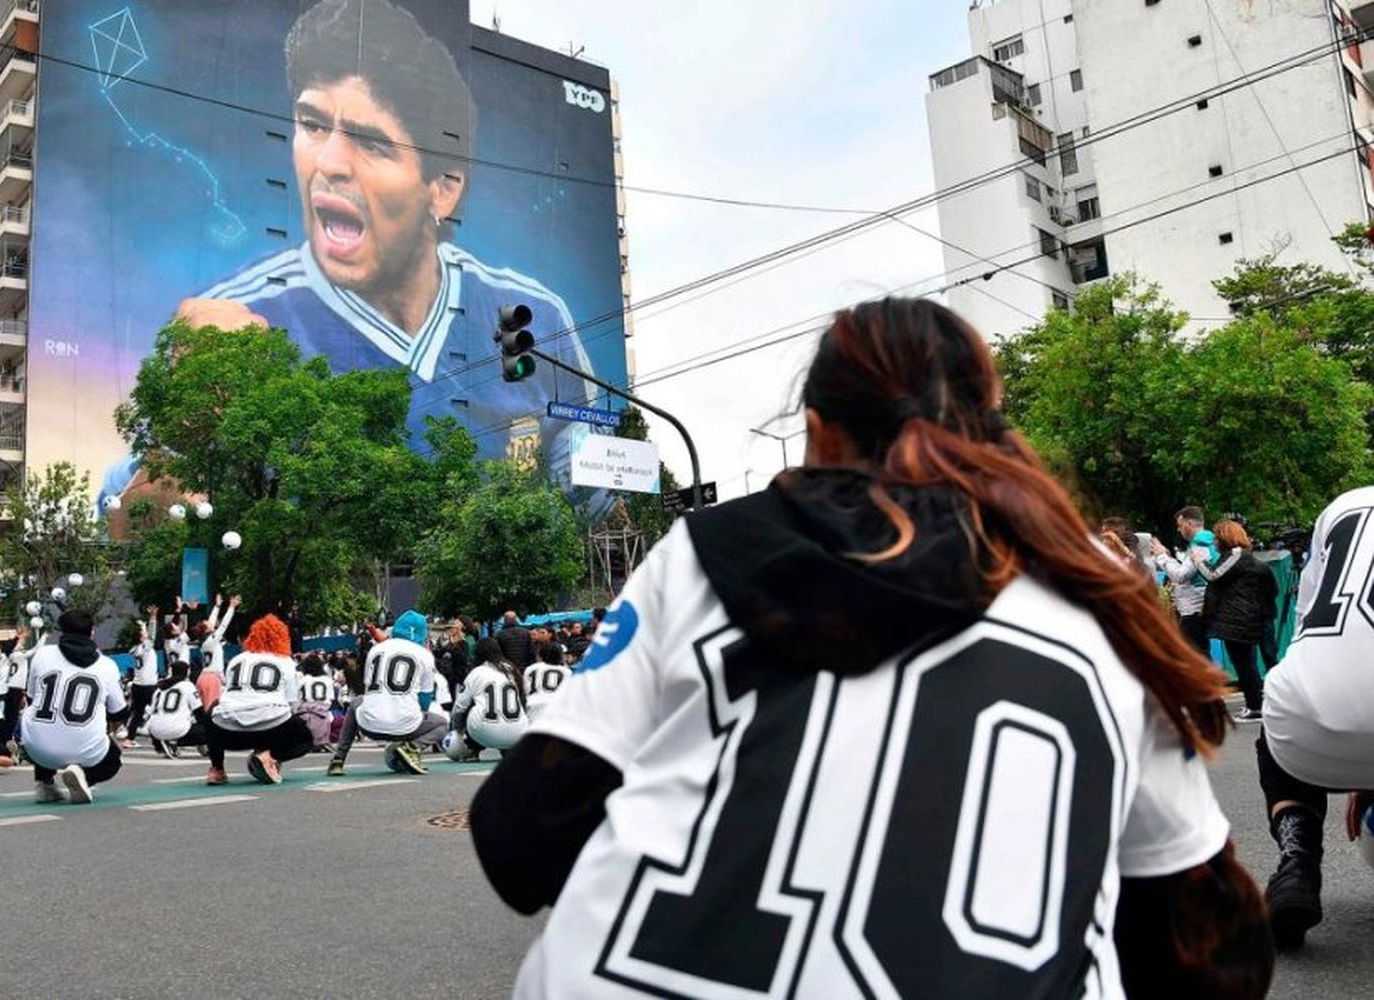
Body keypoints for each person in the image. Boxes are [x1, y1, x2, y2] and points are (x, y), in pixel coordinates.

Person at [469, 298, 1271, 998]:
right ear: (987, 422)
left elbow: (520, 838)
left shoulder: (707, 551)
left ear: (817, 431)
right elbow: (1208, 951)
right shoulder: (1096, 584)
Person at [161, 0, 596, 484]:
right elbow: (127, 519)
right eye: (313, 124)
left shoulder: (536, 316)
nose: (330, 164)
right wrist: (183, 436)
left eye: (371, 143)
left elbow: (591, 479)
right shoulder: (230, 325)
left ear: (444, 188)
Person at [1256, 486, 1374, 949]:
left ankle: (1298, 859)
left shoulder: (1345, 505)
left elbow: (1315, 633)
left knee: (1287, 714)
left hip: (1309, 723)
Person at [22, 610, 128, 805]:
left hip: (36, 748)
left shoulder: (42, 655)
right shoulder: (107, 665)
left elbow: (30, 697)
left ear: (62, 631)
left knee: (38, 718)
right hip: (87, 748)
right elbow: (119, 711)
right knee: (114, 759)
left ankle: (44, 784)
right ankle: (83, 776)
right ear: (92, 632)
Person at [327, 610, 443, 776]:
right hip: (406, 727)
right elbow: (424, 702)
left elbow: (369, 690)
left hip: (369, 726)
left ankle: (338, 759)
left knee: (355, 703)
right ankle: (411, 748)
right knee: (441, 723)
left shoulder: (376, 649)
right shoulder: (425, 656)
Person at [204, 614, 313, 786]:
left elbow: (229, 693)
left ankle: (217, 769)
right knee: (305, 739)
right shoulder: (285, 661)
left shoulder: (237, 659)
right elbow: (292, 703)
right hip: (269, 724)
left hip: (228, 730)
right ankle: (269, 755)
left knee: (214, 708)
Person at [1197, 520, 1279, 722]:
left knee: (1245, 666)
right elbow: (1273, 589)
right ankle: (1267, 703)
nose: (1214, 542)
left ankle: (1255, 707)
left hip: (1238, 620)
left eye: (1217, 537)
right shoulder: (1254, 562)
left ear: (1226, 537)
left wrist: (1198, 560)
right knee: (1261, 662)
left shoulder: (1236, 555)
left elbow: (1213, 575)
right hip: (1256, 617)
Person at [1151, 506, 1215, 656]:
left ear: (1189, 524)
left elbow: (1180, 576)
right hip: (1195, 606)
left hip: (1194, 609)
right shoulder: (1201, 543)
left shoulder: (1200, 545)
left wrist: (1162, 556)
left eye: (1180, 526)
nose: (1179, 530)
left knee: (1197, 653)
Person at [452, 638, 528, 754]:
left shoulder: (477, 672)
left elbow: (459, 707)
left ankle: (473, 748)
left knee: (472, 704)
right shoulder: (512, 670)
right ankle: (506, 748)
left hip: (483, 733)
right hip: (517, 732)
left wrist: (457, 731)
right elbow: (522, 700)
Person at [144, 661, 206, 758]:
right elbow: (199, 712)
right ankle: (173, 742)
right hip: (174, 729)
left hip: (154, 731)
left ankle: (163, 744)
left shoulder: (159, 689)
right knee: (211, 729)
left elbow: (149, 713)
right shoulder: (187, 686)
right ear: (187, 672)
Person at [123, 606, 160, 748]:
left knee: (137, 713)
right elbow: (152, 634)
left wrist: (142, 625)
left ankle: (129, 738)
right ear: (141, 638)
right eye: (142, 633)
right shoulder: (145, 648)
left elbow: (147, 636)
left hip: (138, 684)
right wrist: (153, 618)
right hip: (148, 685)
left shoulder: (134, 649)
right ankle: (160, 740)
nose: (145, 634)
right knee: (158, 710)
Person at [296, 652, 336, 750]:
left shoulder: (303, 680)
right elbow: (330, 699)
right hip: (322, 712)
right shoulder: (328, 680)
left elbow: (297, 698)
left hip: (305, 712)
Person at [194, 593, 239, 680]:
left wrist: (217, 606)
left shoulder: (206, 640)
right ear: (206, 630)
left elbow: (212, 620)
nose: (211, 623)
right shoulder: (211, 641)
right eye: (208, 623)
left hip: (206, 675)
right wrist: (231, 607)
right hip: (214, 677)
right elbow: (223, 625)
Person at [521, 643, 570, 721]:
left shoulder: (531, 668)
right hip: (556, 709)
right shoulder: (567, 671)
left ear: (541, 654)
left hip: (533, 706)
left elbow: (526, 691)